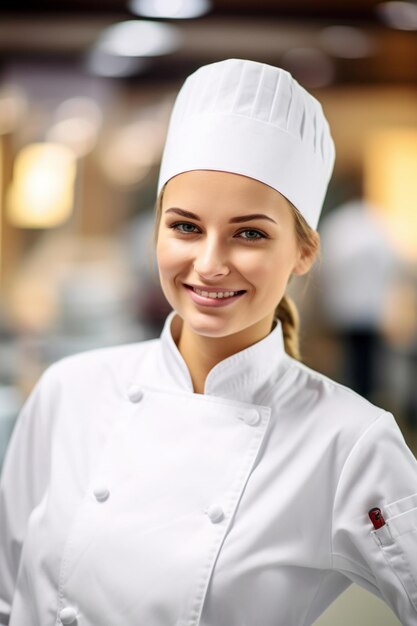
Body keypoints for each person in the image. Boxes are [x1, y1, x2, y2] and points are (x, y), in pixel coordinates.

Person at [1, 58, 417, 626]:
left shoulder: (348, 441)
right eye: (185, 227)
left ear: (303, 252)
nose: (210, 263)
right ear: (156, 231)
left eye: (249, 233)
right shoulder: (68, 391)